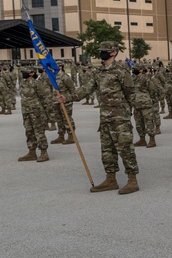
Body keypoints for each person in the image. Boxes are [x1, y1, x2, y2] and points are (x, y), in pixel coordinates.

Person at [63, 42, 140, 193]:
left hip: (120, 119)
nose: (101, 53)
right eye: (101, 51)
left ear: (113, 52)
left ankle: (133, 180)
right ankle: (111, 179)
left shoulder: (121, 72)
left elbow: (131, 94)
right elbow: (85, 89)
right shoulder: (98, 73)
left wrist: (128, 115)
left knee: (125, 149)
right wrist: (66, 98)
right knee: (107, 150)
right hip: (105, 118)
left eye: (104, 51)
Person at [17, 66, 51, 164]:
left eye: (25, 72)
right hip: (26, 111)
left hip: (36, 112)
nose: (23, 73)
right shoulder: (23, 83)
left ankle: (44, 152)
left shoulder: (38, 84)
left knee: (39, 132)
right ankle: (32, 152)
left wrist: (45, 113)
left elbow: (45, 98)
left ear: (32, 73)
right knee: (29, 131)